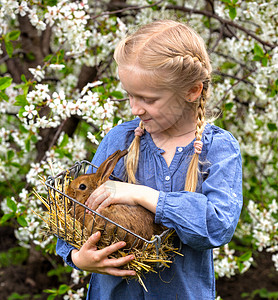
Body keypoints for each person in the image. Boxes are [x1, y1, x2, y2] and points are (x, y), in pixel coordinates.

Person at [56, 19, 243, 299]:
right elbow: (75, 210)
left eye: (149, 99)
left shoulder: (218, 149)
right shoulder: (121, 139)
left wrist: (143, 196)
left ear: (193, 91)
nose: (135, 108)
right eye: (130, 96)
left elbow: (217, 226)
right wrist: (77, 257)